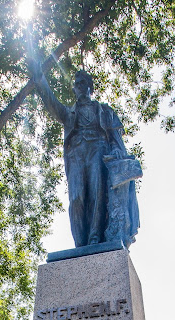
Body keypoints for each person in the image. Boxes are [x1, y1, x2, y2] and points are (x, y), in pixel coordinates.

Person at [32, 65, 140, 248]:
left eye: (83, 83)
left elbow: (115, 139)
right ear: (74, 89)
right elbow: (52, 103)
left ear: (90, 87)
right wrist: (40, 79)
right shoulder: (69, 113)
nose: (80, 87)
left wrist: (115, 149)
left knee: (97, 194)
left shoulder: (104, 111)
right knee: (77, 198)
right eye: (77, 84)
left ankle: (94, 238)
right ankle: (80, 242)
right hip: (76, 154)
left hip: (98, 150)